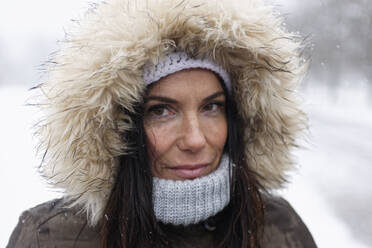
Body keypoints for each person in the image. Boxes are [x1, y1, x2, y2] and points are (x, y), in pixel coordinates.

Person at [7, 0, 317, 247]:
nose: (195, 140)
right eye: (161, 111)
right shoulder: (49, 237)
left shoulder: (277, 228)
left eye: (212, 107)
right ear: (116, 128)